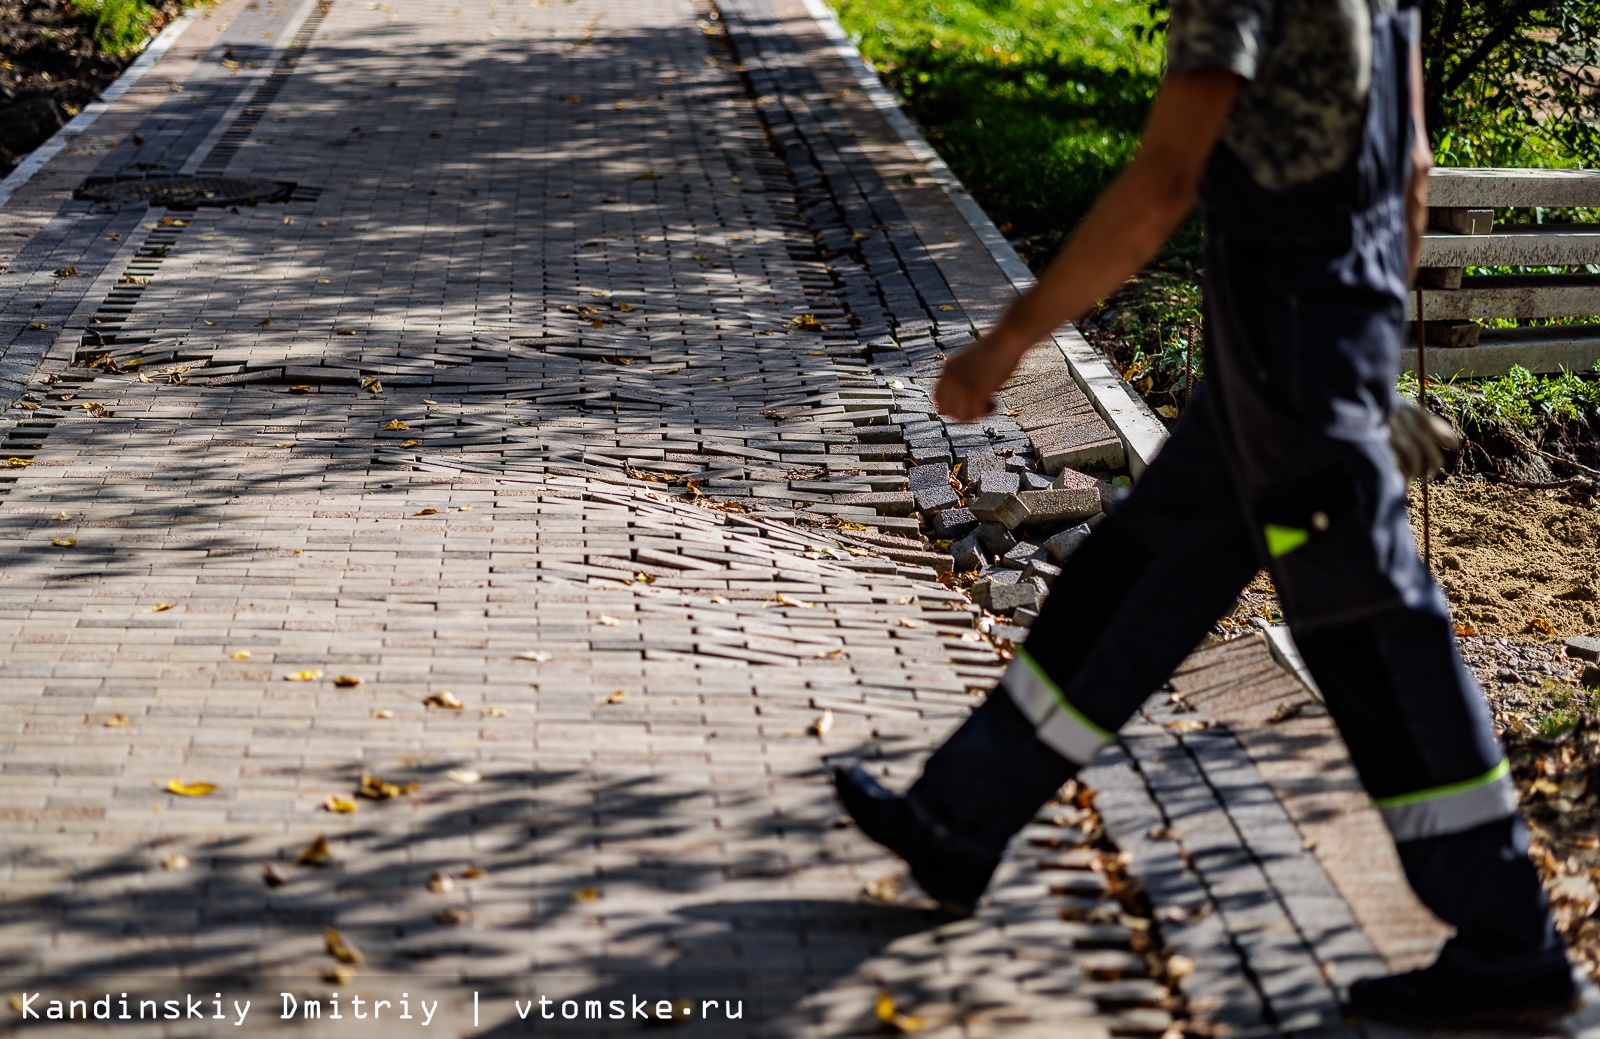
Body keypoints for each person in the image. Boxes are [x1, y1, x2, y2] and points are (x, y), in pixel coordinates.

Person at [831, 0, 1578, 1027]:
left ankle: (1514, 949)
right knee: (1129, 575)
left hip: (1286, 346)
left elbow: (1163, 184)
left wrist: (1008, 340)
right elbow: (1407, 169)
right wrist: (1366, 353)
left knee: (1375, 637)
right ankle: (961, 817)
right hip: (1305, 340)